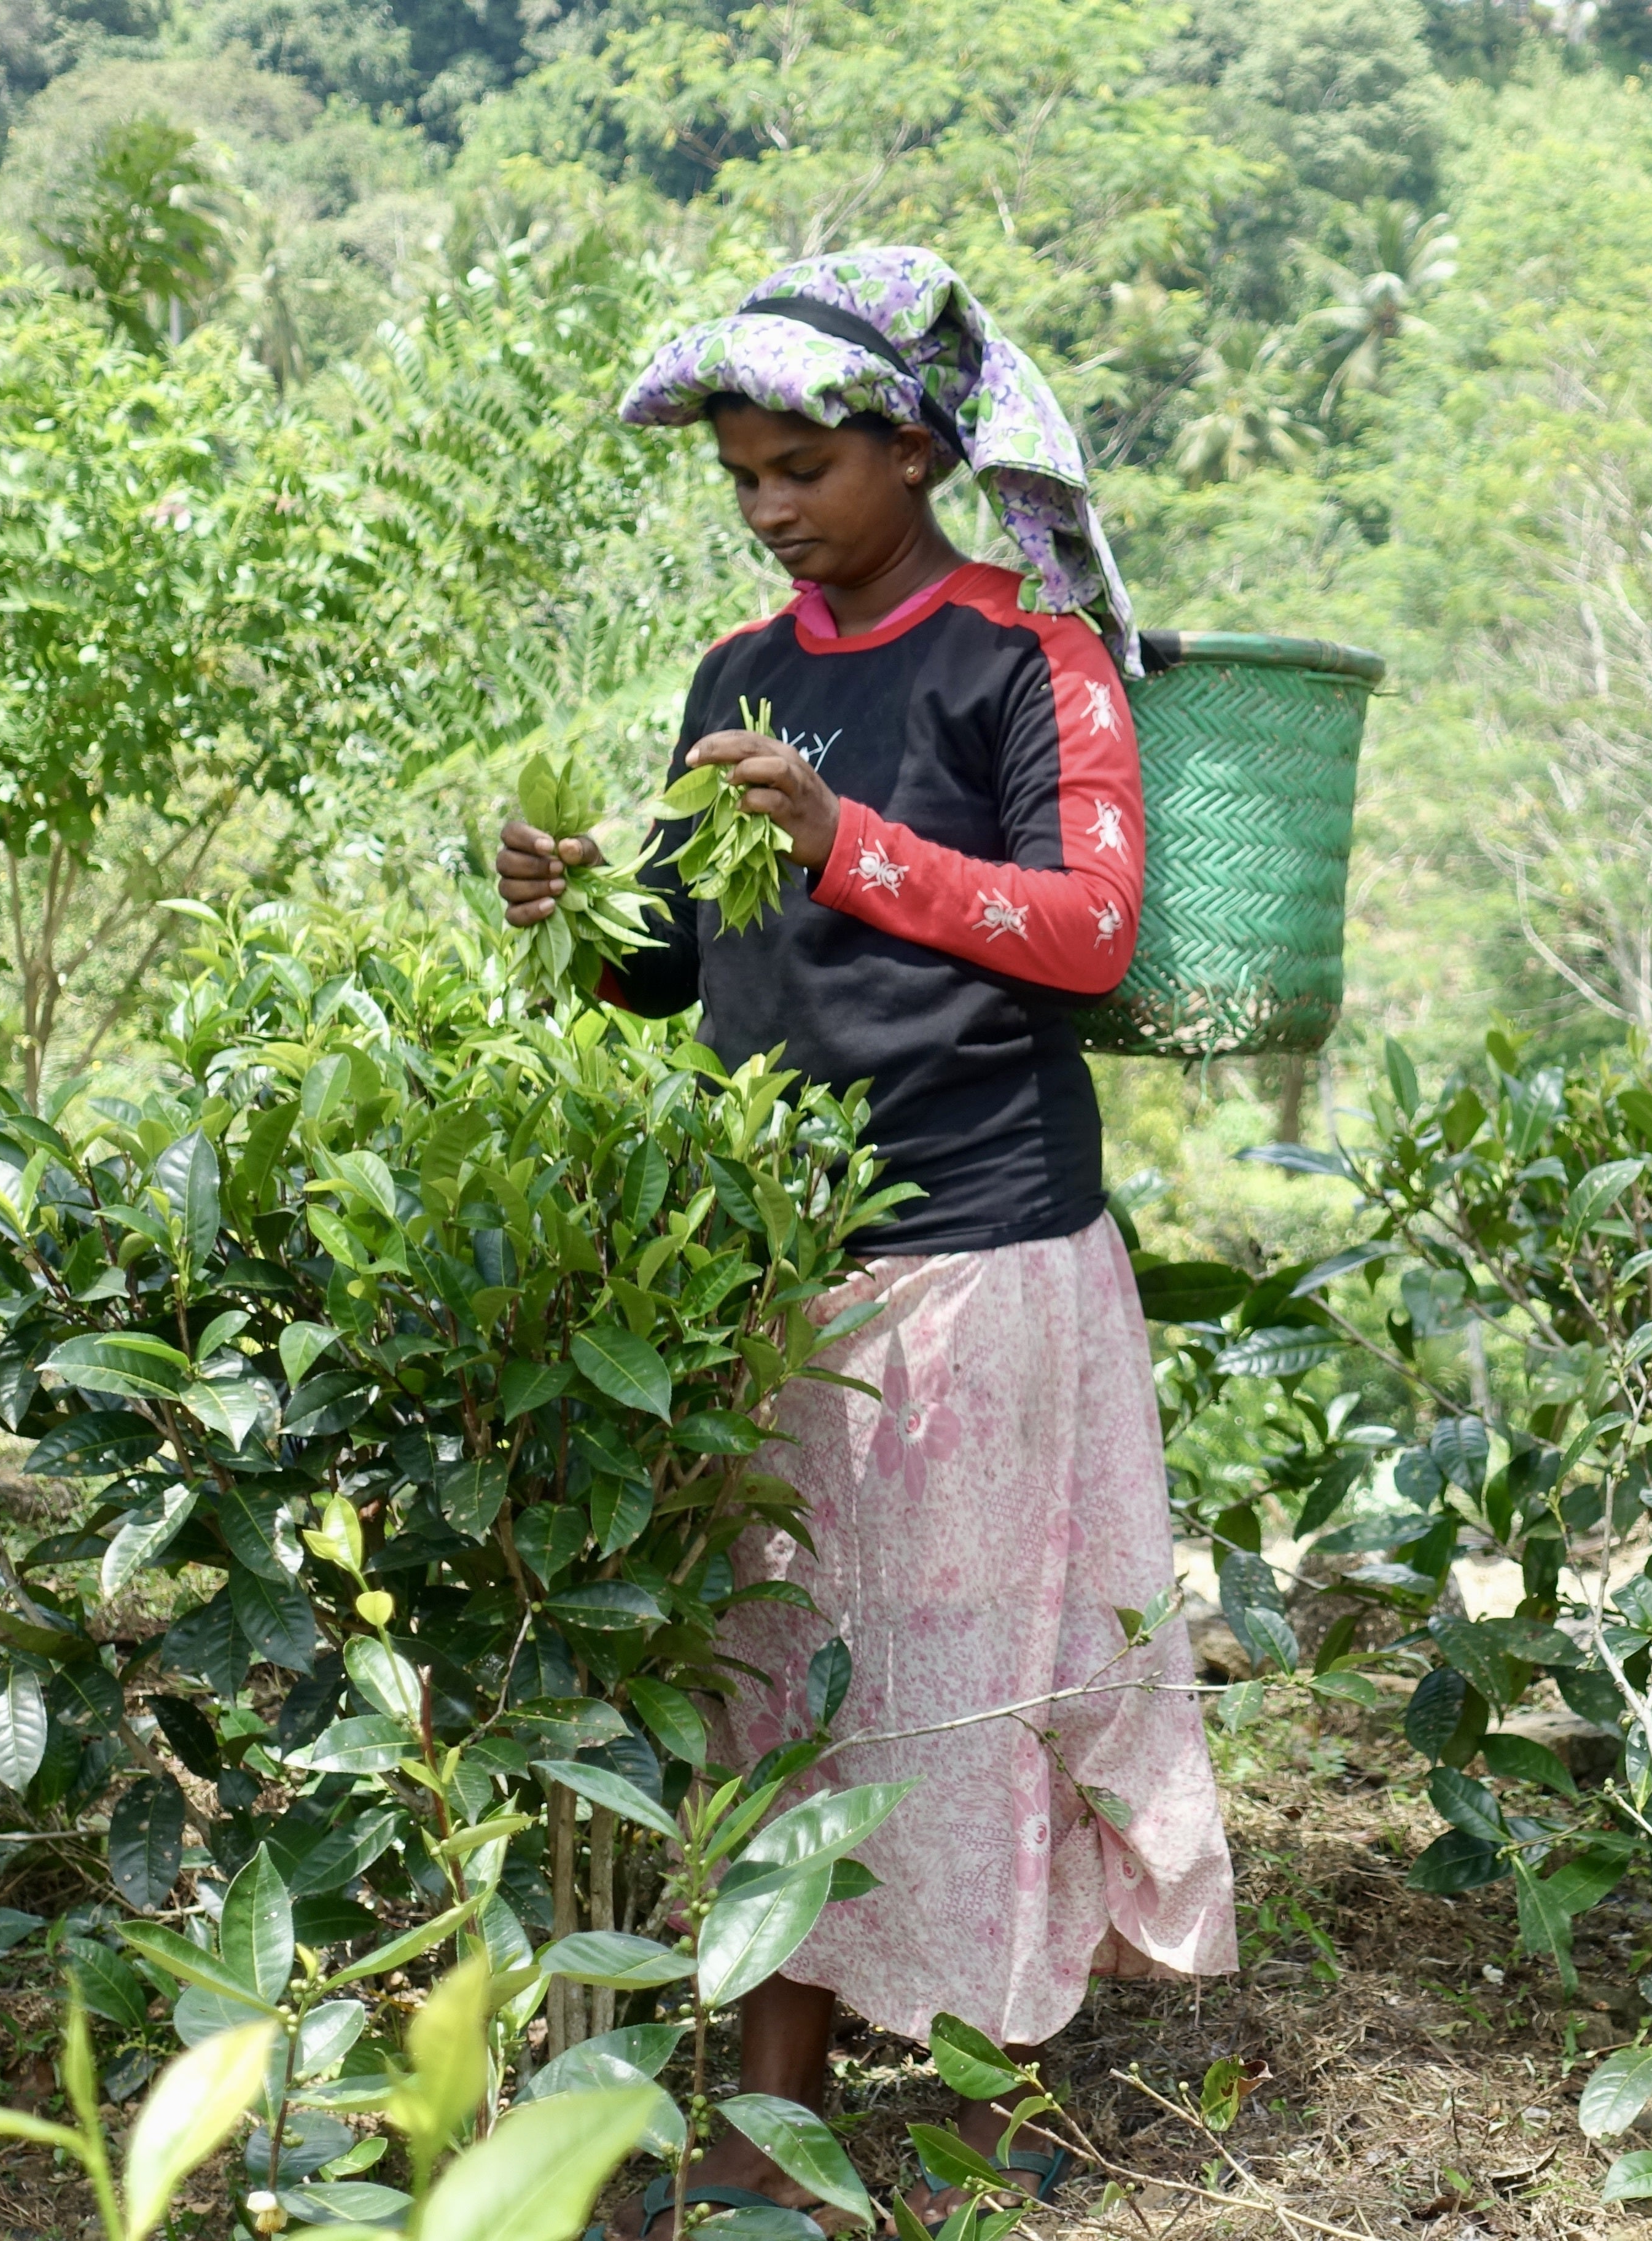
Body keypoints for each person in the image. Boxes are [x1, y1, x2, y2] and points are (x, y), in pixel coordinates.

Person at [495, 248, 1236, 2234]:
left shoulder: (1025, 656)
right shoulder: (736, 676)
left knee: (975, 1681)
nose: (767, 506)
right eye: (741, 475)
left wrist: (847, 843)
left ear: (914, 450)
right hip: (779, 1255)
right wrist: (573, 910)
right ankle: (771, 2130)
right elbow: (682, 965)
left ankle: (996, 2104)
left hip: (981, 1245)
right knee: (787, 1681)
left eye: (801, 468)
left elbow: (1090, 929)